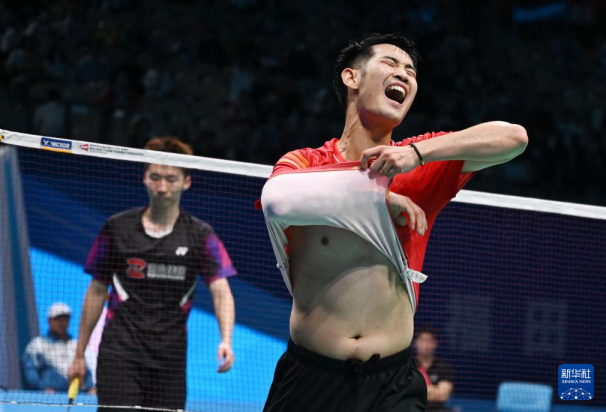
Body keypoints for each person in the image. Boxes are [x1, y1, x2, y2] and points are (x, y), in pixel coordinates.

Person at [260, 33, 528, 411]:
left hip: (393, 386)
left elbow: (514, 138)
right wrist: (377, 198)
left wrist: (417, 153)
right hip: (310, 378)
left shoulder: (419, 162)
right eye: (390, 63)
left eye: (411, 71)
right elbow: (277, 201)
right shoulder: (306, 163)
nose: (404, 74)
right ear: (352, 77)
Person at [67, 137, 237, 411]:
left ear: (186, 182)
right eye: (155, 177)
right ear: (144, 178)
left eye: (171, 179)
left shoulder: (200, 235)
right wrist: (79, 355)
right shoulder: (117, 228)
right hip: (119, 353)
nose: (162, 187)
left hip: (169, 360)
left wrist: (226, 338)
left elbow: (221, 291)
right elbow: (96, 290)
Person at [22, 302, 94, 393]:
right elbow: (30, 371)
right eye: (58, 319)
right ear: (49, 321)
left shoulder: (77, 345)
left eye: (65, 318)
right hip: (47, 397)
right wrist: (41, 389)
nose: (62, 323)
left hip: (77, 396)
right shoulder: (37, 344)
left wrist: (90, 388)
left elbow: (86, 372)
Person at [414, 326, 455, 412]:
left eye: (429, 340)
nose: (426, 344)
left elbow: (443, 396)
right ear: (416, 343)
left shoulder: (443, 367)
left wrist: (415, 391)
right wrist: (434, 390)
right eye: (422, 340)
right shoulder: (409, 366)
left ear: (435, 343)